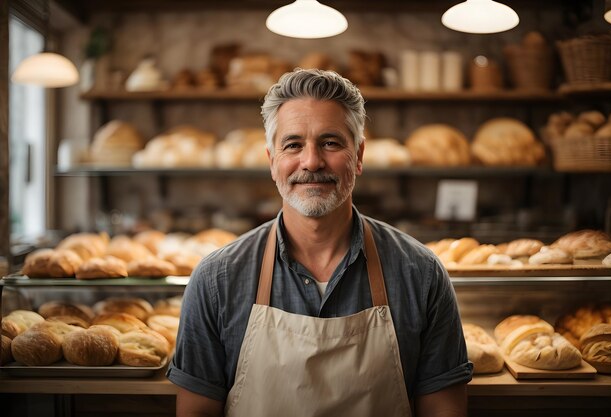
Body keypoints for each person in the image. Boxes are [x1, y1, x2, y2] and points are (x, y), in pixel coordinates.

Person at [167, 68, 473, 417]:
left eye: (330, 142)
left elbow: (444, 412)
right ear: (272, 162)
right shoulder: (216, 279)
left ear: (358, 156)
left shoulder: (421, 273)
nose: (311, 162)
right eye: (293, 145)